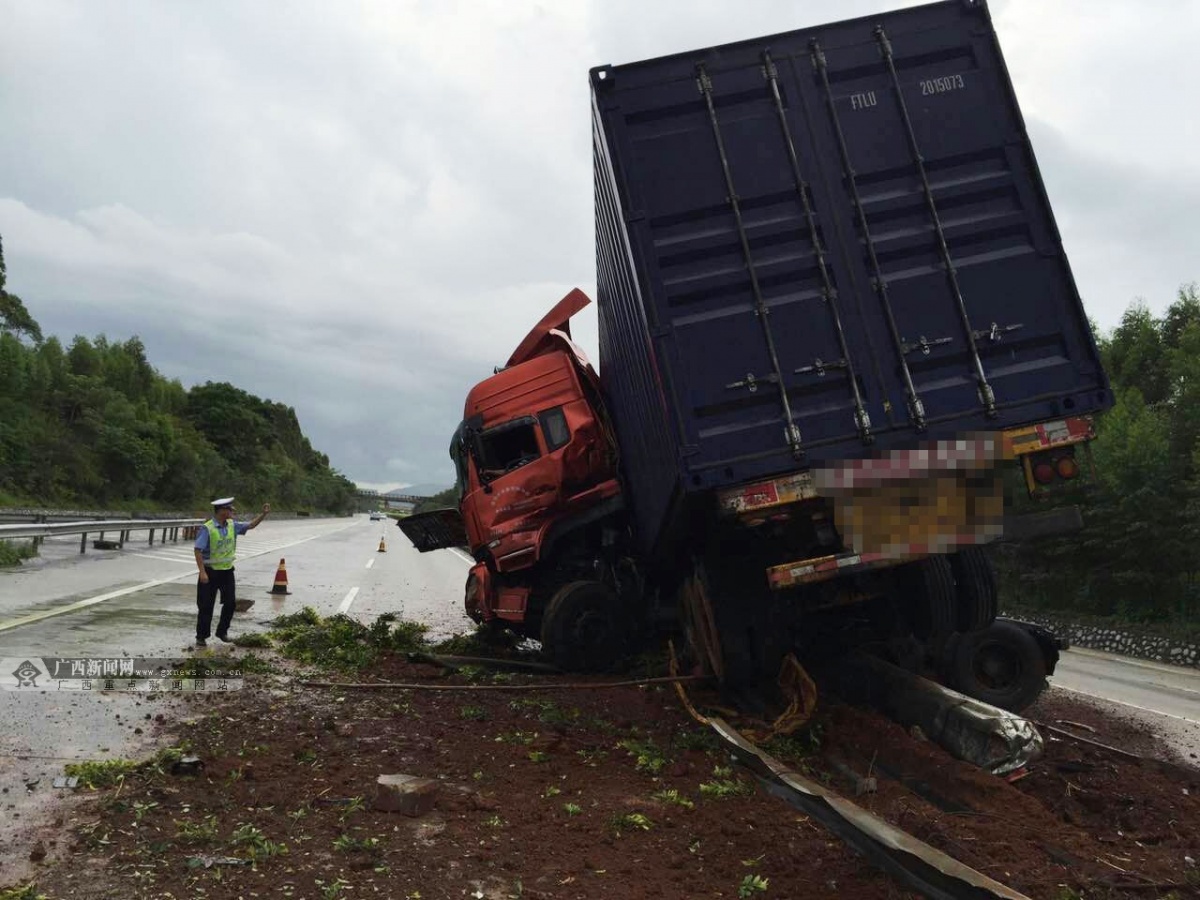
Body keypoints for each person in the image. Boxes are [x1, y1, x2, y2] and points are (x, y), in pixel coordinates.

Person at [193, 497, 270, 647]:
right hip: (210, 572)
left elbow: (250, 526)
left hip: (227, 571)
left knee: (230, 603)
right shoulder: (207, 528)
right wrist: (202, 572)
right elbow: (198, 550)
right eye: (229, 509)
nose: (232, 511)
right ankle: (201, 636)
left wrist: (264, 514)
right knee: (206, 606)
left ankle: (222, 632)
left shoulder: (232, 525)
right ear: (221, 511)